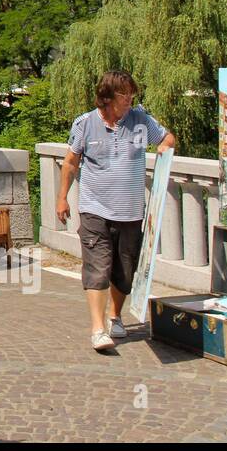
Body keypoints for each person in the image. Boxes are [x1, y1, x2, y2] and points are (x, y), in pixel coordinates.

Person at [56, 69, 176, 353]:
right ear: (108, 97)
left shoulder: (140, 119)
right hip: (94, 208)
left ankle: (115, 316)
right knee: (98, 267)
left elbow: (168, 138)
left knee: (124, 271)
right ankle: (97, 329)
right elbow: (71, 162)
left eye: (132, 94)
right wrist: (62, 198)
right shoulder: (85, 123)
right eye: (125, 95)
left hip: (131, 211)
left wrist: (164, 148)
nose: (130, 100)